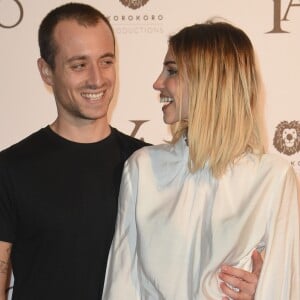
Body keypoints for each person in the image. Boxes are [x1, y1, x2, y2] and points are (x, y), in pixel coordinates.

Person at [0, 3, 262, 299]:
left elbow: (195, 271)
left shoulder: (152, 168)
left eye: (106, 61)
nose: (97, 79)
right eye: (79, 65)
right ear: (46, 71)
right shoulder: (10, 169)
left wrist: (256, 290)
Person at [102, 20, 300, 299]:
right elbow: (122, 284)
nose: (158, 83)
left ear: (209, 79)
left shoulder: (272, 178)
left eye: (172, 71)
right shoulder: (142, 168)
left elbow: (284, 288)